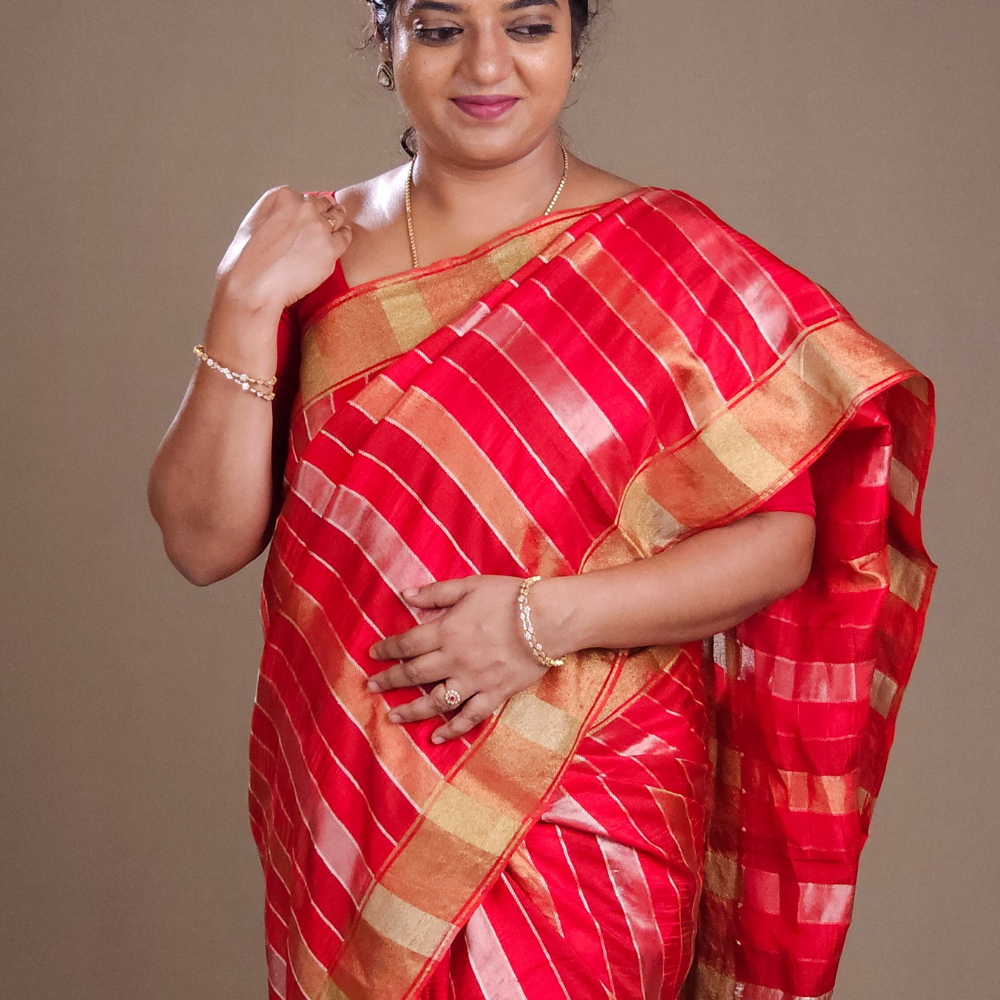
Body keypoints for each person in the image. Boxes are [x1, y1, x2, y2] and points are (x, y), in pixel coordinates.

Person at [148, 2, 936, 998]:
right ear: (386, 38)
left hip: (587, 803)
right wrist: (244, 302)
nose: (487, 65)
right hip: (352, 795)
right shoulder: (304, 255)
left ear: (573, 38)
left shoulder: (667, 259)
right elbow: (202, 541)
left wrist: (539, 621)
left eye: (526, 26)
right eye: (441, 29)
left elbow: (781, 542)